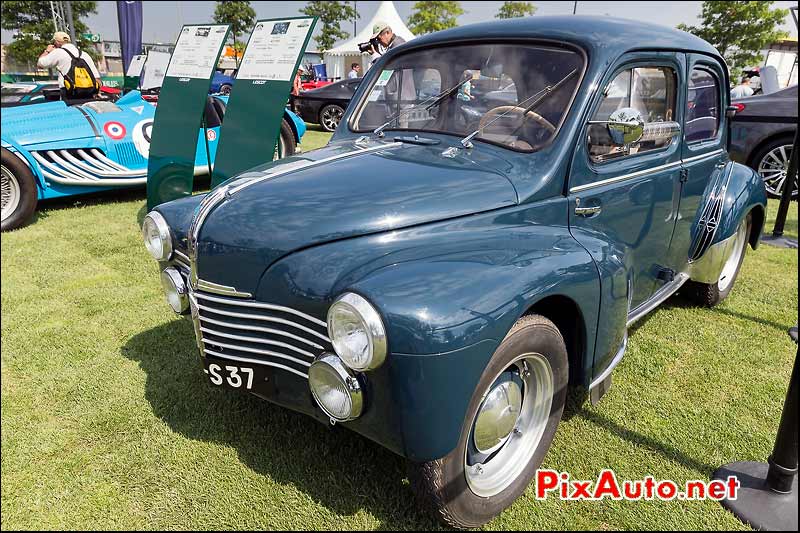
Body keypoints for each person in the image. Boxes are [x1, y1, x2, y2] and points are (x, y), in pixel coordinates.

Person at [37, 31, 101, 101]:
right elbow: (97, 79)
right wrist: (97, 92)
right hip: (88, 92)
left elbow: (40, 64)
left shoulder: (58, 52)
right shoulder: (84, 54)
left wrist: (47, 51)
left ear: (56, 42)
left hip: (69, 92)